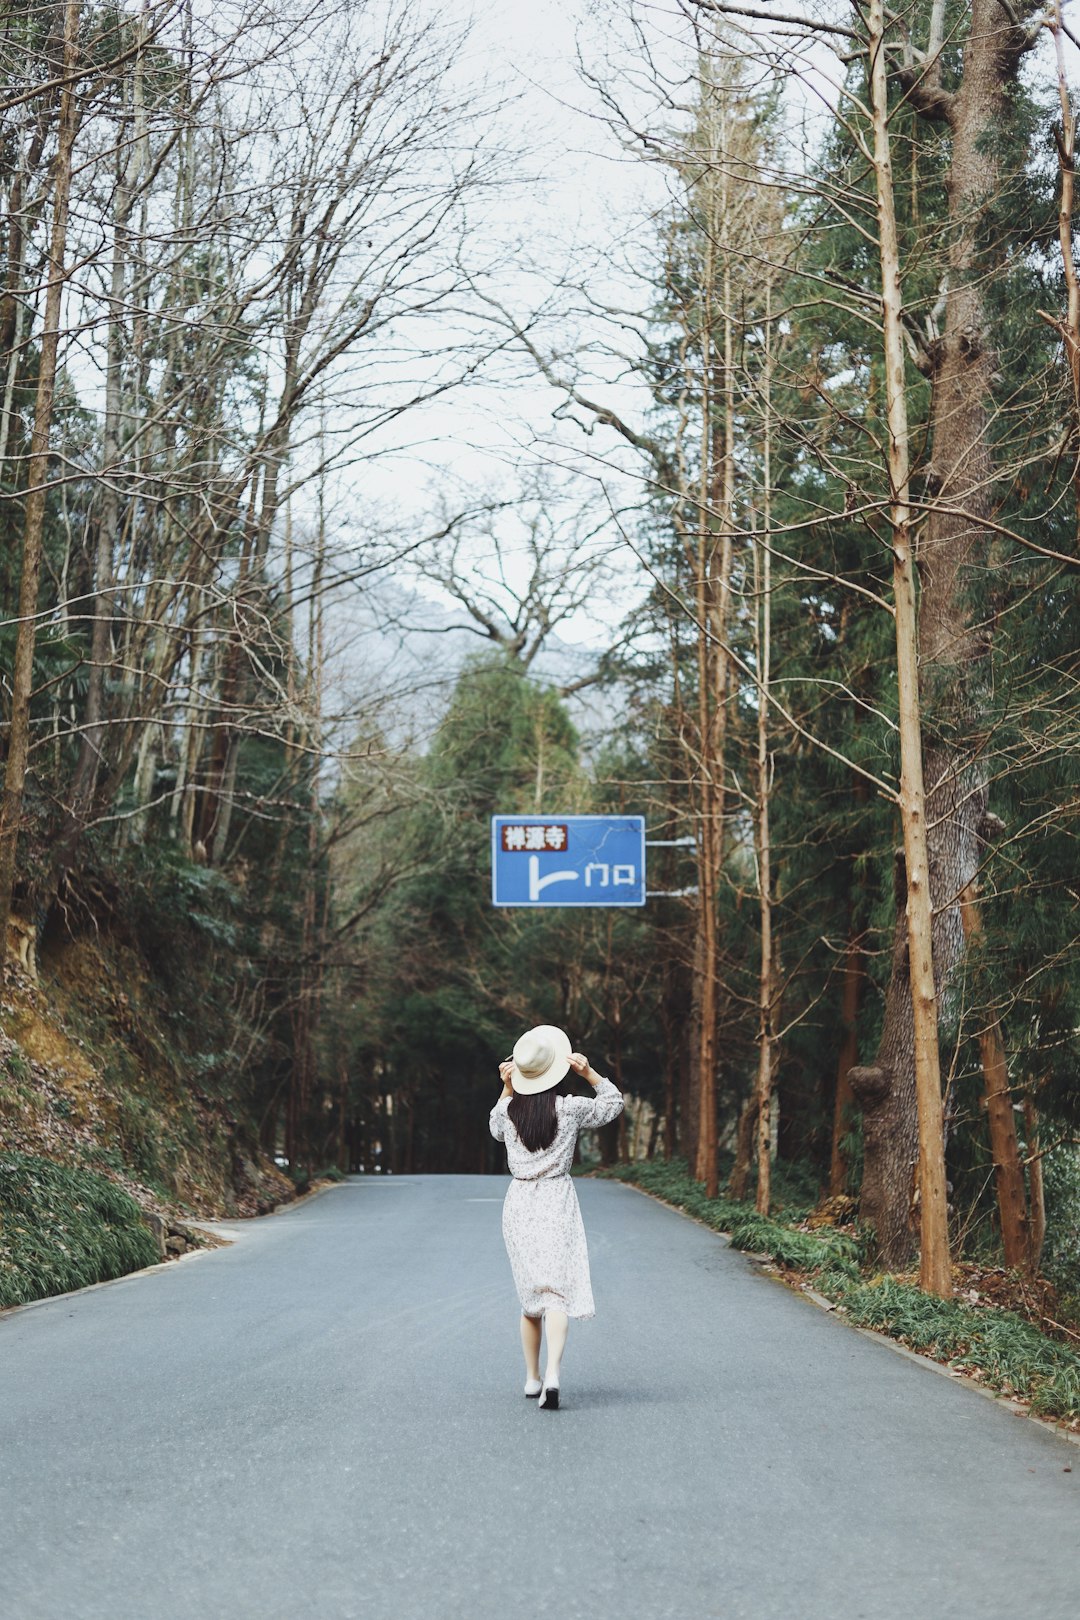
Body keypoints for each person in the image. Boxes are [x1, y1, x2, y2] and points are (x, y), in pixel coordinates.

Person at [489, 1023, 624, 1411]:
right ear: (556, 1070)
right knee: (557, 1295)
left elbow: (495, 1129)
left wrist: (507, 1086)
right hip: (557, 1199)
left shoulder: (509, 1112)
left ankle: (531, 1379)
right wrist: (589, 1073)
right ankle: (553, 1374)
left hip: (520, 1203)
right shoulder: (570, 1107)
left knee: (530, 1297)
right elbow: (612, 1104)